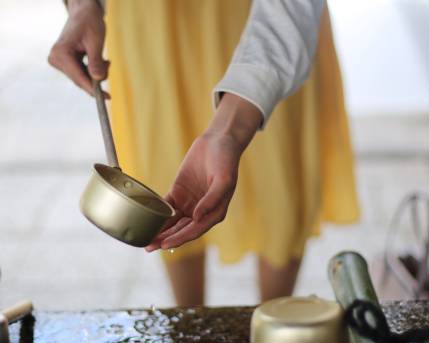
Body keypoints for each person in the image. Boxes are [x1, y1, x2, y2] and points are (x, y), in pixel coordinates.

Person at [49, 0, 360, 306]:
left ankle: (273, 327)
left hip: (262, 19)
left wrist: (230, 127)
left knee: (279, 188)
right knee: (170, 187)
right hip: (151, 23)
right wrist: (83, 5)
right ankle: (189, 325)